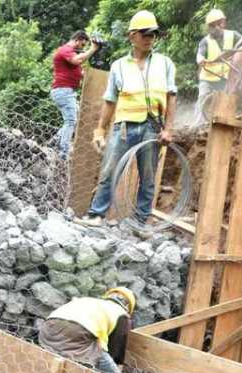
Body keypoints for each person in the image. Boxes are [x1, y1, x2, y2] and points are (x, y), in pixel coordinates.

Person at [77, 10, 177, 228]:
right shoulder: (119, 66)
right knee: (109, 170)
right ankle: (96, 215)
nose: (150, 39)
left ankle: (141, 221)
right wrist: (100, 130)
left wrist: (168, 128)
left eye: (153, 35)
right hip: (123, 127)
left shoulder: (165, 63)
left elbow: (171, 97)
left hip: (152, 127)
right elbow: (110, 100)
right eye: (145, 34)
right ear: (132, 36)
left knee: (148, 178)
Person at [38, 287, 136, 373]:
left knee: (60, 360)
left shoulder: (89, 300)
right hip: (77, 333)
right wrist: (115, 363)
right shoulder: (121, 314)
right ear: (128, 307)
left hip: (48, 328)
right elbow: (116, 346)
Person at [193, 9, 242, 125]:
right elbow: (200, 55)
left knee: (224, 102)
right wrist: (201, 61)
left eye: (219, 24)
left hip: (225, 77)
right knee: (203, 99)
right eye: (213, 25)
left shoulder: (232, 35)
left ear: (224, 23)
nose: (217, 27)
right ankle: (197, 124)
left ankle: (219, 125)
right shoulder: (205, 41)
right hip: (208, 77)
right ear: (209, 27)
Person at [50, 31, 99, 160]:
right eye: (82, 44)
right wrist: (93, 49)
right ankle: (63, 153)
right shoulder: (66, 50)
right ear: (77, 39)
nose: (82, 48)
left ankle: (55, 141)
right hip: (63, 91)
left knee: (75, 116)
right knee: (70, 121)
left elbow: (79, 71)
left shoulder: (70, 55)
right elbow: (78, 60)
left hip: (67, 91)